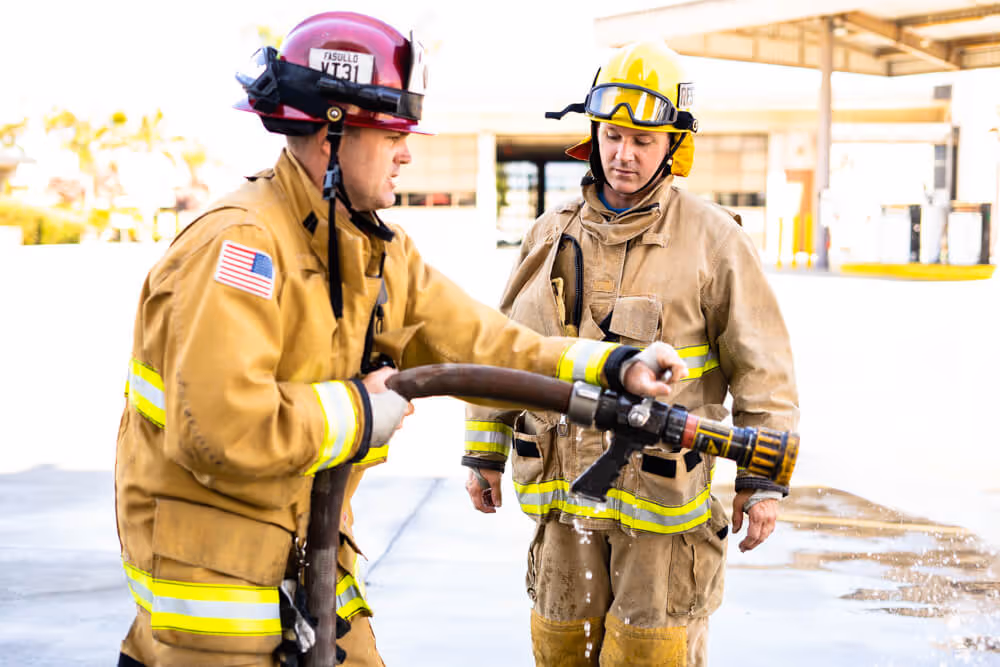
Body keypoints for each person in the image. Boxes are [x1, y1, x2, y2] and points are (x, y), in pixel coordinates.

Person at [114, 14, 687, 667]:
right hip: (215, 613)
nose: (407, 152)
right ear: (333, 133)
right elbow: (218, 426)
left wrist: (612, 365)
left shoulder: (365, 248)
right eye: (392, 134)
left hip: (309, 571)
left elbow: (481, 340)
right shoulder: (241, 248)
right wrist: (358, 410)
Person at [463, 41, 799, 666]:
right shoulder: (547, 234)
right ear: (592, 133)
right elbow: (506, 354)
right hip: (561, 508)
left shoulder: (714, 240)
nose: (624, 154)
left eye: (644, 141)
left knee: (651, 655)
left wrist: (761, 483)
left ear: (674, 145)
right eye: (614, 135)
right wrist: (483, 449)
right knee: (560, 650)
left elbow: (764, 368)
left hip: (663, 524)